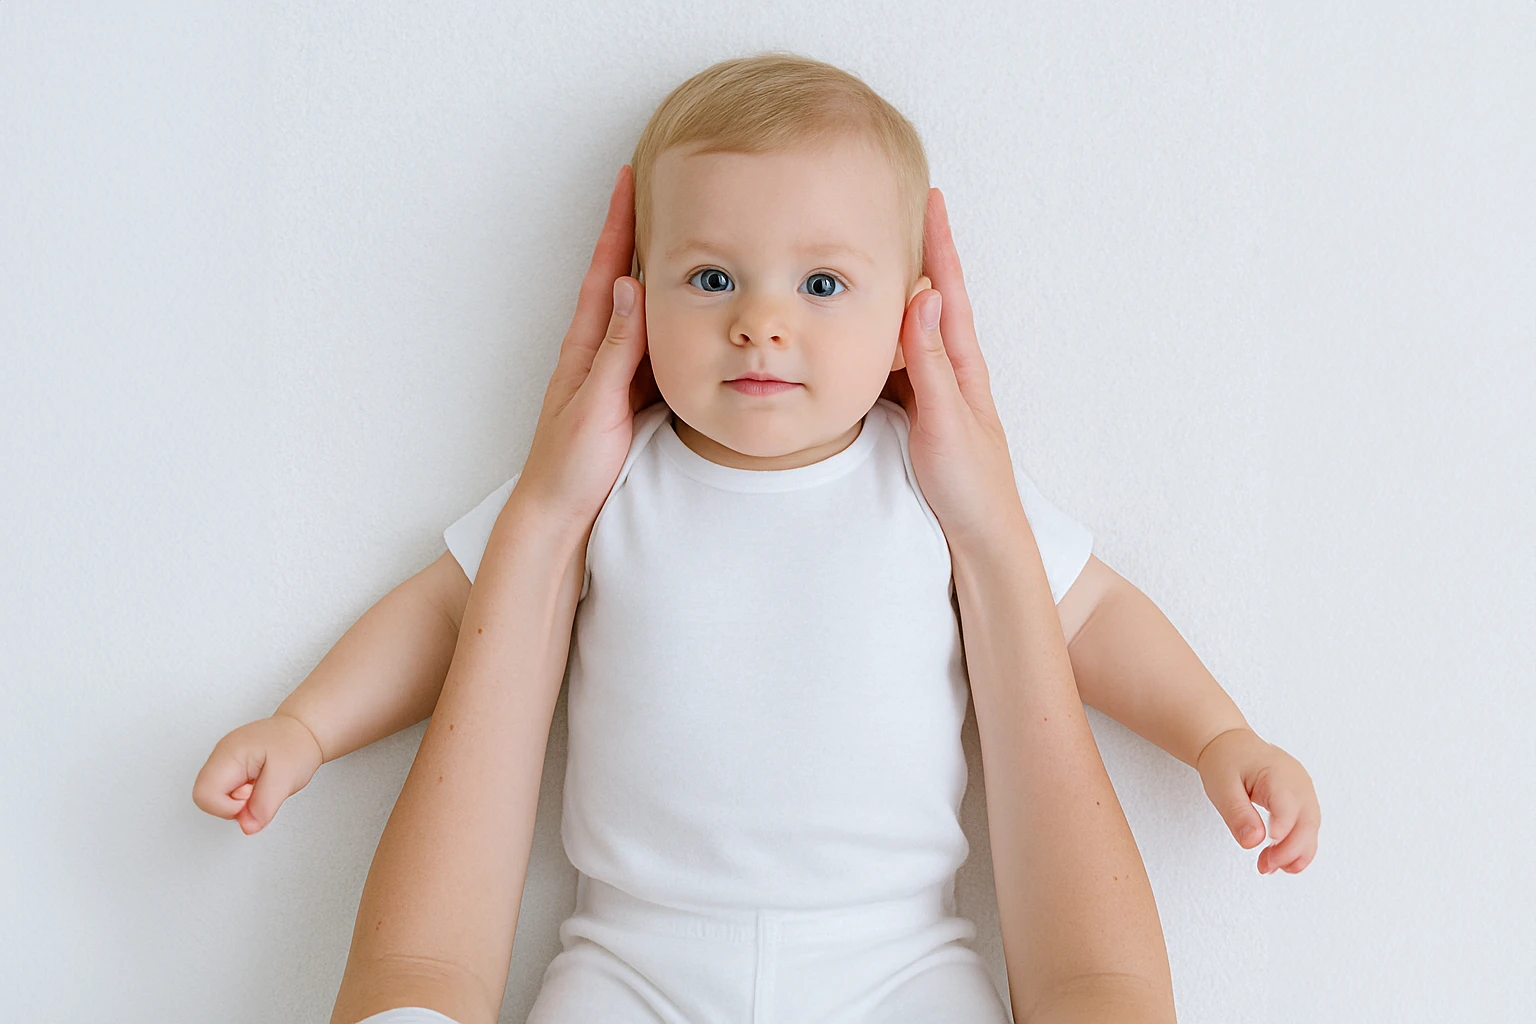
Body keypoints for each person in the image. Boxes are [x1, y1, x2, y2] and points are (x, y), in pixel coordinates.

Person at [194, 54, 1316, 1024]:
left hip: (895, 964)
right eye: (712, 277)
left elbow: (1095, 611)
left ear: (908, 320)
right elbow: (448, 611)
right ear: (638, 297)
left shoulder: (935, 481)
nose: (760, 321)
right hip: (632, 961)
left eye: (822, 283)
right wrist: (308, 726)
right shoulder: (603, 476)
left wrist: (1216, 733)